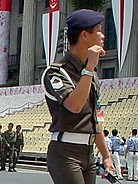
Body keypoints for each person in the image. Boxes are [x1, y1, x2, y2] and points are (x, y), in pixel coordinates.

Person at [42, 9, 114, 184]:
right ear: (84, 35)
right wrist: (89, 69)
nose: (103, 35)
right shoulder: (56, 72)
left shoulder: (91, 73)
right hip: (65, 151)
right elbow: (74, 106)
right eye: (98, 30)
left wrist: (106, 156)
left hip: (88, 151)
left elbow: (96, 117)